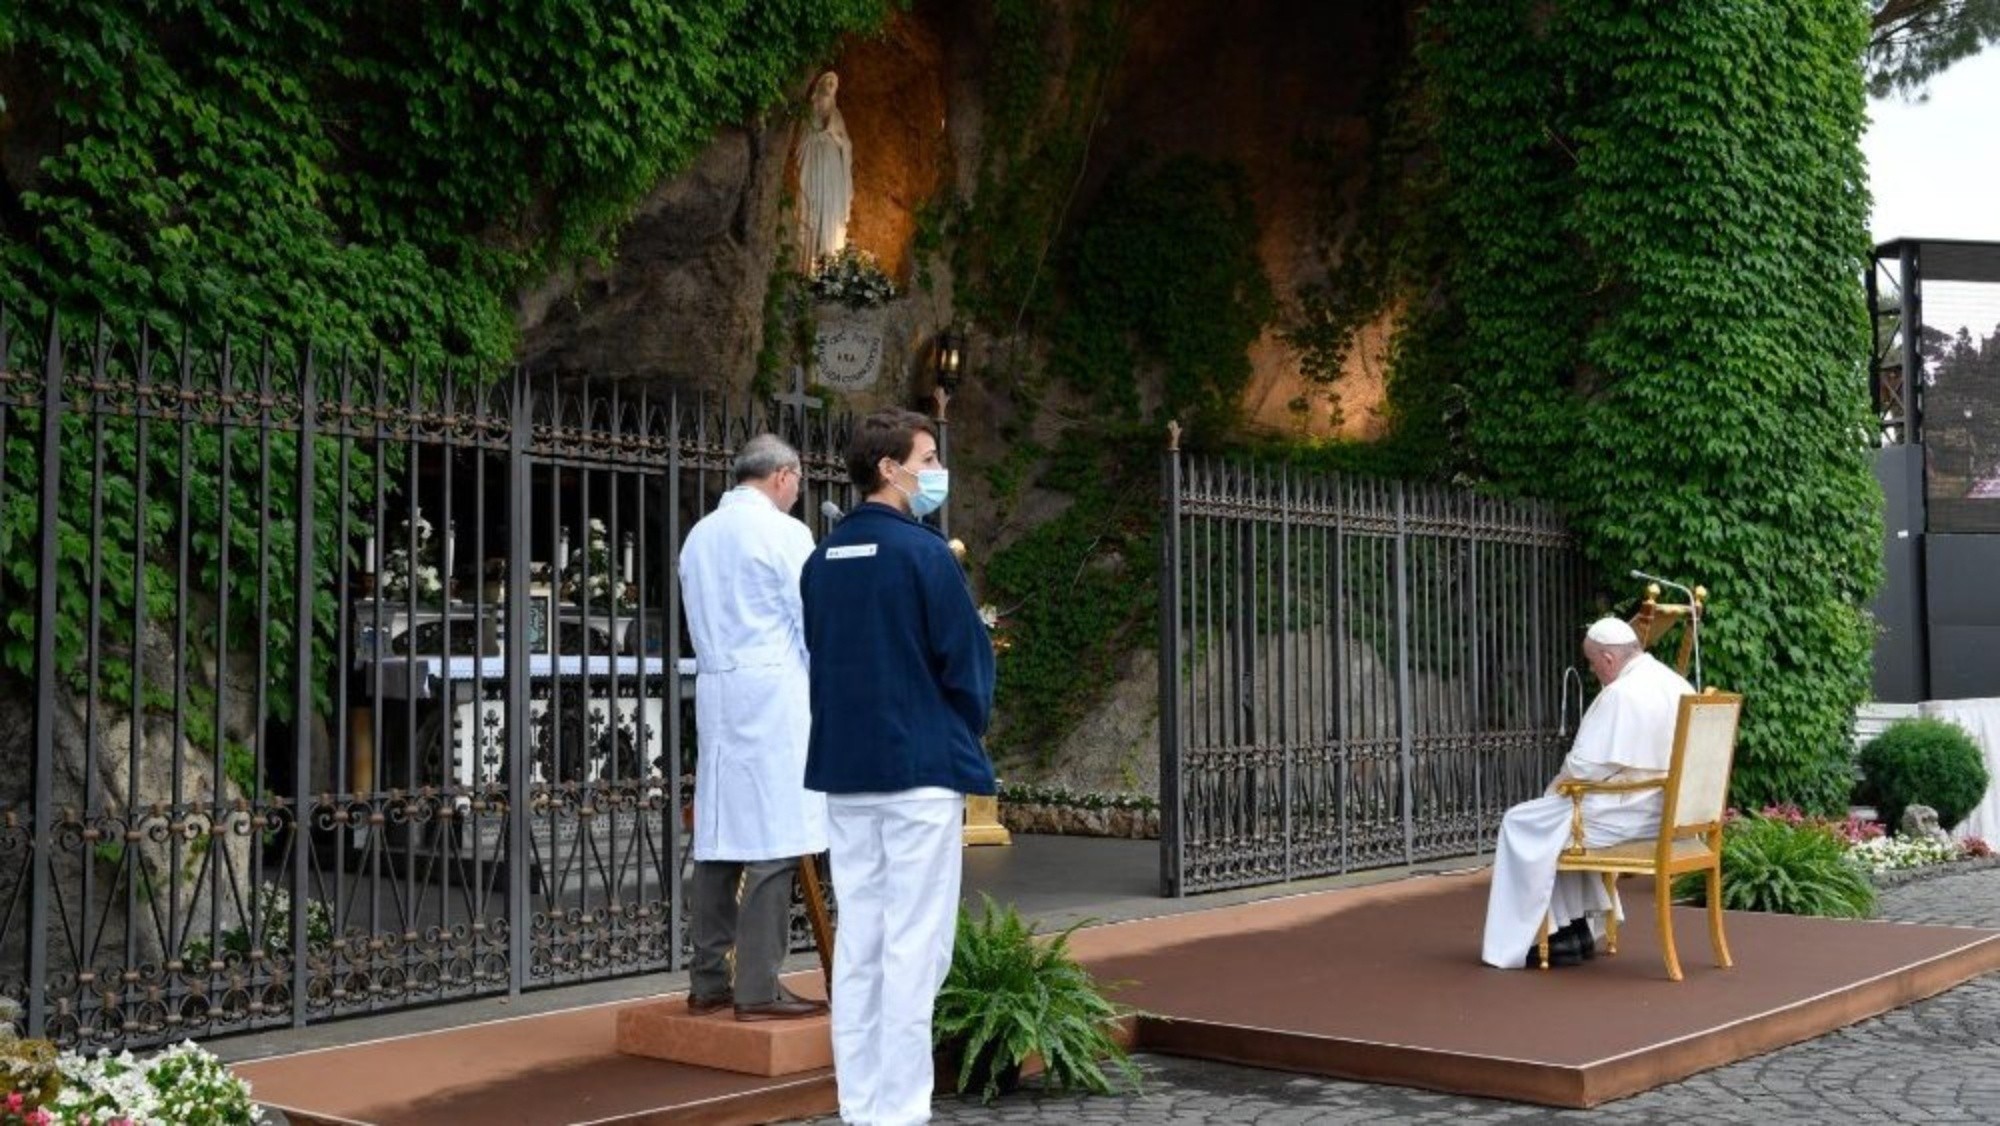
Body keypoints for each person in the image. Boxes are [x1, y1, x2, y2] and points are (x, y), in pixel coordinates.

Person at [801, 408, 996, 1126]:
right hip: (918, 771)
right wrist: (961, 729)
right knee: (916, 949)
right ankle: (901, 1114)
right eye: (927, 456)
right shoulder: (925, 555)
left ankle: (860, 1108)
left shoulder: (821, 559)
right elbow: (969, 663)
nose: (935, 470)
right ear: (889, 468)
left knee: (861, 945)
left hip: (847, 776)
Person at [678, 434, 829, 1020]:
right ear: (784, 476)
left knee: (720, 834)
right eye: (799, 485)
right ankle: (759, 987)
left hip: (718, 689)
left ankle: (708, 978)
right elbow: (809, 619)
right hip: (773, 691)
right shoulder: (785, 534)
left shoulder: (700, 535)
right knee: (775, 837)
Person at [1480, 617, 1695, 969]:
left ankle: (1542, 937)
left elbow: (1582, 768)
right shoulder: (1677, 683)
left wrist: (1552, 791)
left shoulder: (1622, 693)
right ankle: (1574, 930)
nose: (1595, 673)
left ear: (1609, 659)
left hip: (1628, 816)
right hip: (1663, 811)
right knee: (1555, 824)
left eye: (1594, 665)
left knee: (1521, 822)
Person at [796, 70, 854, 268]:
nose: (830, 85)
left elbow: (846, 145)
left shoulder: (837, 115)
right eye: (827, 81)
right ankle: (809, 265)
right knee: (814, 207)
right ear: (819, 85)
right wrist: (818, 136)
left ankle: (830, 265)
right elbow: (801, 143)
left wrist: (834, 137)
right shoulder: (809, 113)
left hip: (833, 169)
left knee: (831, 211)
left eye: (833, 83)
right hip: (814, 166)